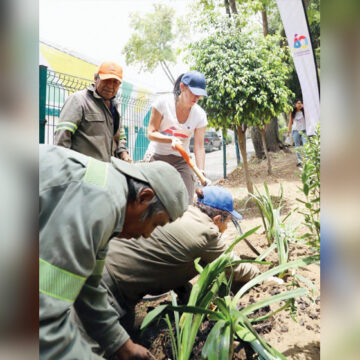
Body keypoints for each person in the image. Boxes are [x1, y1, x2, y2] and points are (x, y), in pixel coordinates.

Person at [39, 145, 188, 360]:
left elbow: (88, 287)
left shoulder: (109, 195)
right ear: (144, 197)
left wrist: (123, 346)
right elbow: (43, 320)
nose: (147, 235)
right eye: (155, 224)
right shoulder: (100, 205)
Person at [89, 186, 260, 351]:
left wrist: (185, 291)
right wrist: (261, 275)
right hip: (110, 288)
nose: (227, 227)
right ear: (217, 219)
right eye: (228, 221)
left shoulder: (182, 214)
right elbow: (235, 268)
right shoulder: (207, 233)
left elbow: (170, 259)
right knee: (103, 348)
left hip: (100, 266)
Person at [146, 71, 209, 204]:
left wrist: (201, 170)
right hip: (157, 155)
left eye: (200, 95)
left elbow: (199, 146)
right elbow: (151, 133)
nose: (196, 97)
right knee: (154, 200)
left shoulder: (200, 115)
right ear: (182, 87)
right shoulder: (163, 103)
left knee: (186, 200)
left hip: (181, 159)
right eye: (193, 92)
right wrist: (170, 139)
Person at [54, 61, 132, 163]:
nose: (110, 86)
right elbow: (62, 139)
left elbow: (120, 136)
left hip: (110, 171)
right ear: (96, 78)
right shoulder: (78, 100)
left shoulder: (115, 106)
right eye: (106, 80)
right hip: (84, 172)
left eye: (115, 82)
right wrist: (68, 169)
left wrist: (123, 153)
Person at [287, 99, 307, 166]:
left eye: (300, 103)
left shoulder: (304, 111)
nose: (299, 104)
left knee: (305, 145)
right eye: (298, 103)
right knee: (297, 146)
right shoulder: (292, 113)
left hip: (304, 130)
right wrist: (288, 132)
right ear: (295, 104)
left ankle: (307, 160)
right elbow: (290, 123)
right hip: (295, 131)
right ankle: (299, 160)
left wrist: (305, 106)